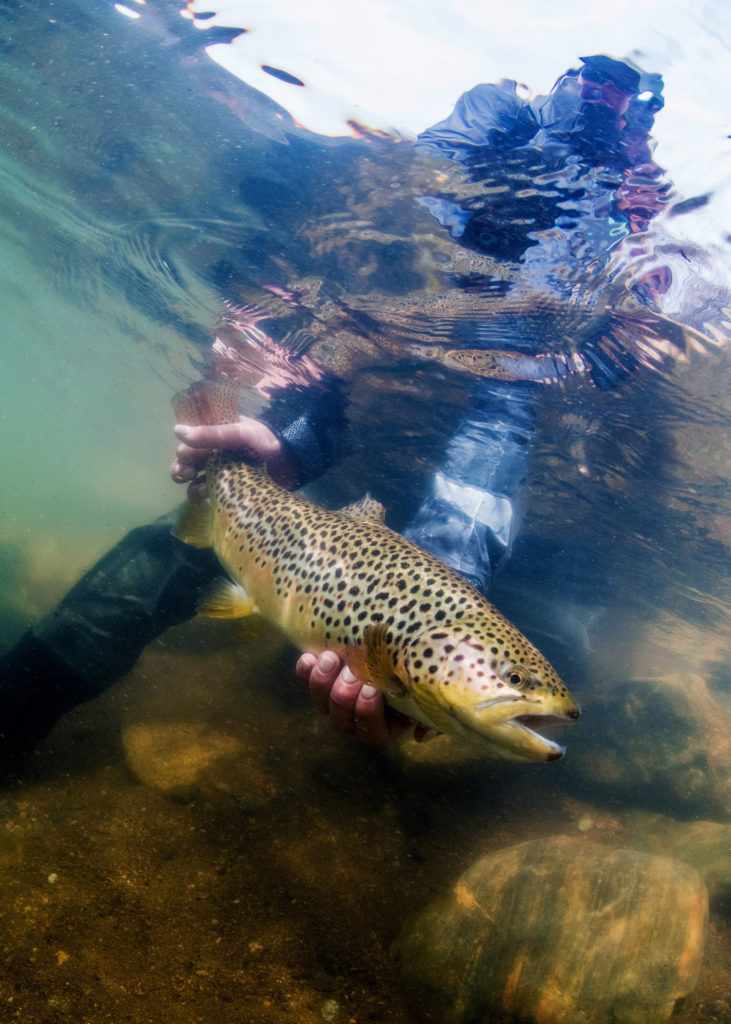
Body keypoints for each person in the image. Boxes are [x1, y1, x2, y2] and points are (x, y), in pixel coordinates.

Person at [0, 54, 678, 764]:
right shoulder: (404, 248)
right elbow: (346, 367)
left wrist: (444, 578)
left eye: (617, 108)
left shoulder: (603, 293)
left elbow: (500, 418)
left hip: (511, 553)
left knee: (556, 654)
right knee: (176, 550)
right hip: (357, 526)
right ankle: (12, 714)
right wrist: (286, 444)